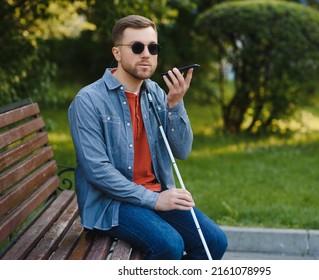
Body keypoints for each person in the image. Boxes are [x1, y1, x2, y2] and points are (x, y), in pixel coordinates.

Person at [68, 15, 227, 260]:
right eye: (137, 47)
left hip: (156, 195)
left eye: (152, 48)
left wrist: (175, 105)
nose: (146, 54)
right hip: (112, 204)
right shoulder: (88, 101)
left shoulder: (155, 92)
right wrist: (153, 200)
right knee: (170, 245)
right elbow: (97, 170)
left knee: (214, 242)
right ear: (117, 53)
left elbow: (182, 150)